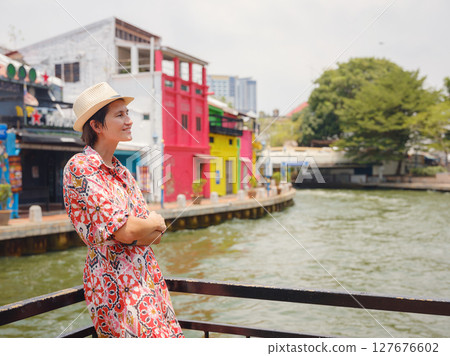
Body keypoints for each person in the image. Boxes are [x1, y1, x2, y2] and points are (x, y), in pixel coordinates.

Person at [63, 82, 184, 338]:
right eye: (119, 115)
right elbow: (127, 231)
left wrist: (148, 226)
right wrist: (149, 223)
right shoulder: (81, 167)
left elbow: (156, 236)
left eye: (127, 113)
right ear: (96, 126)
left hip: (147, 277)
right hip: (114, 283)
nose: (128, 120)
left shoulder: (123, 173)